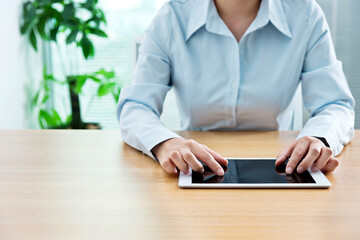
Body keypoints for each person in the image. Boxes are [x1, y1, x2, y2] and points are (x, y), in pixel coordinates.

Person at [117, 0, 355, 176]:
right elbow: (136, 106)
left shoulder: (305, 14)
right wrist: (165, 143)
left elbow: (334, 104)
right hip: (196, 171)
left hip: (280, 171)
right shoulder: (171, 17)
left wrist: (318, 137)